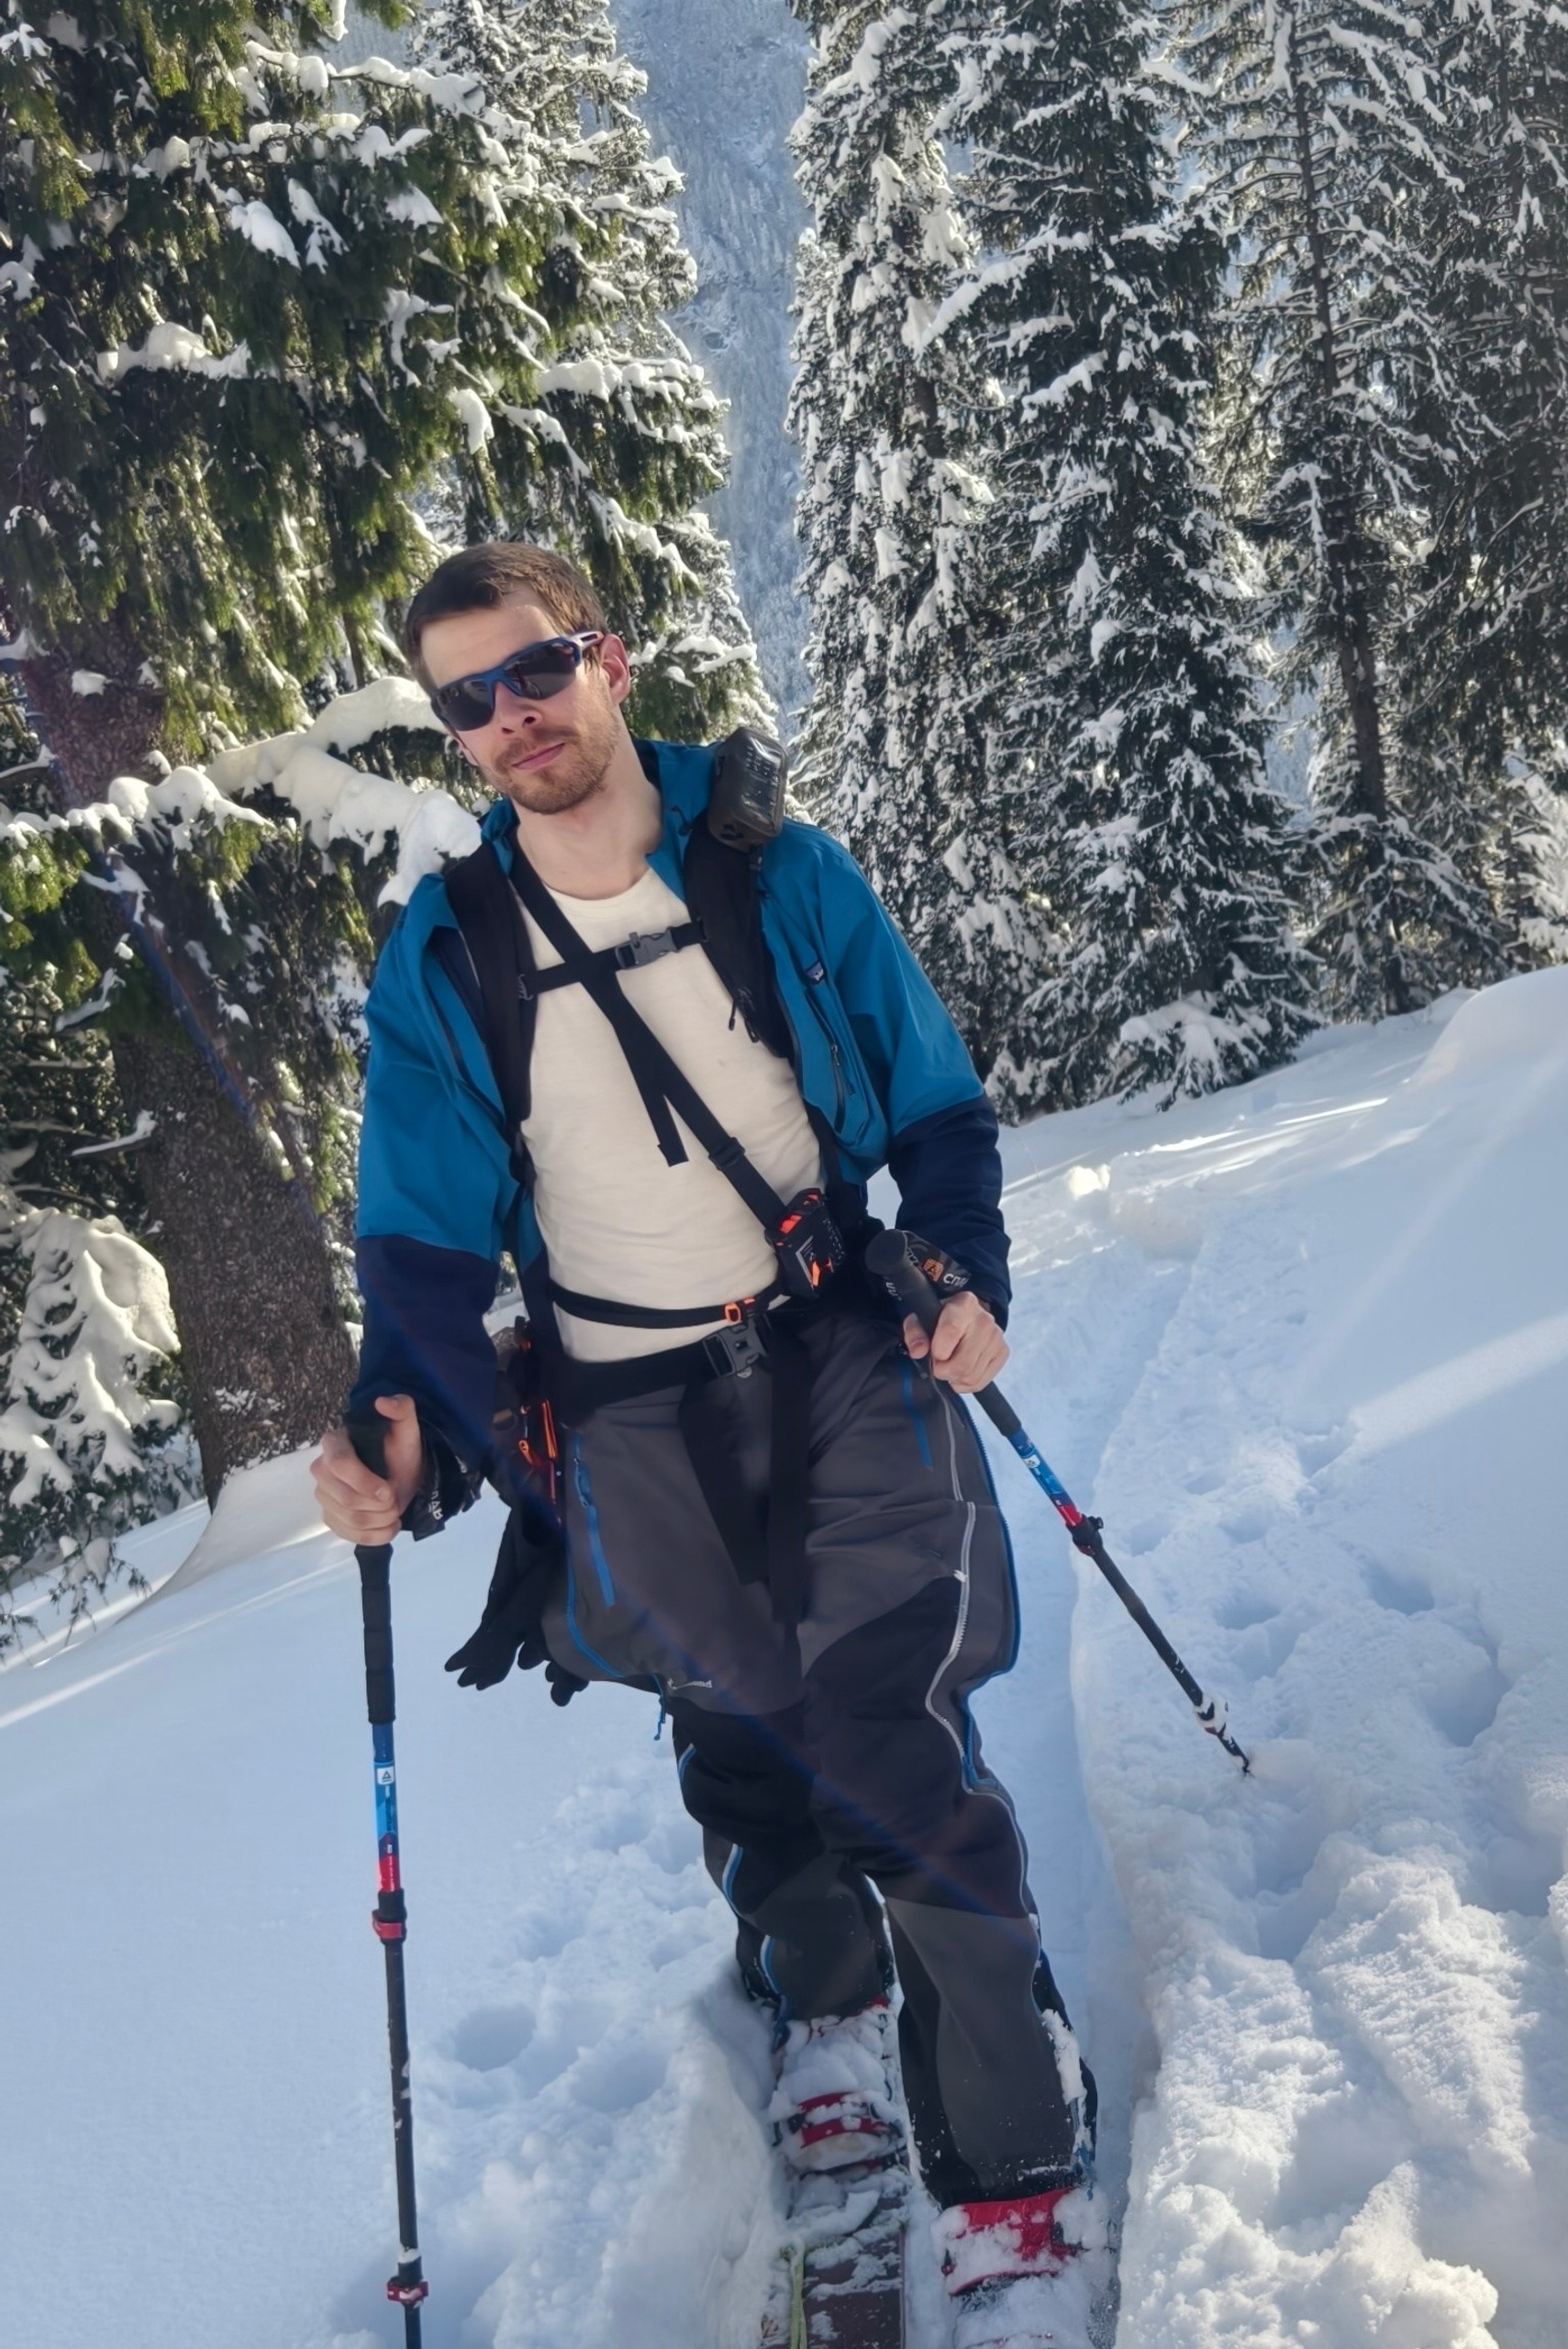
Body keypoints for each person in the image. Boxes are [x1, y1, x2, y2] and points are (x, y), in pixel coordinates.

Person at [310, 541, 1092, 2346]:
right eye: (465, 700)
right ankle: (821, 2001)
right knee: (733, 1706)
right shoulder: (448, 957)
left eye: (536, 672)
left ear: (611, 653)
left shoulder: (779, 878)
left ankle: (1006, 2128)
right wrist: (396, 1433)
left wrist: (963, 1268)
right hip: (622, 1395)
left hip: (833, 1340)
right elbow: (420, 1244)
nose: (510, 719)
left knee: (885, 1714)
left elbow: (932, 1103)